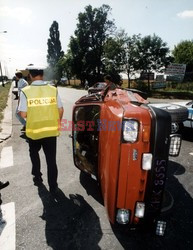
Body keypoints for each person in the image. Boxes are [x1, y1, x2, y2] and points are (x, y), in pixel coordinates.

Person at [18, 66, 64, 194]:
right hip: (50, 131)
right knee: (51, 160)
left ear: (31, 76)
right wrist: (57, 122)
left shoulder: (26, 91)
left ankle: (37, 177)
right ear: (42, 75)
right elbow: (60, 110)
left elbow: (22, 114)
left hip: (34, 132)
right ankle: (53, 185)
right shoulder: (53, 90)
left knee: (34, 154)